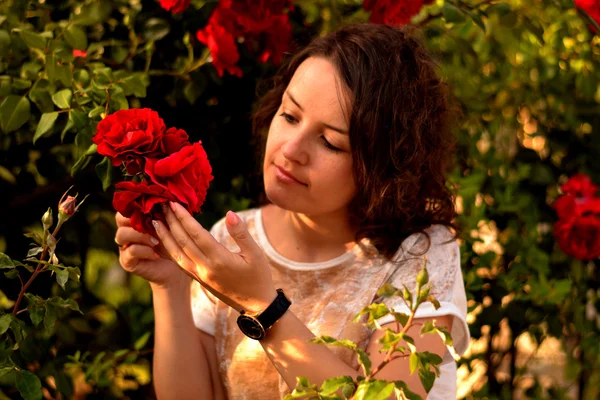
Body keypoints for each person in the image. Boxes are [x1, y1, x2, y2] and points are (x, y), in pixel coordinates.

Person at [114, 23, 470, 400]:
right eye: (290, 116)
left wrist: (264, 308)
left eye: (330, 142)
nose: (291, 149)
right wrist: (169, 285)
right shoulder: (231, 239)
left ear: (383, 166)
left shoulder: (420, 254)